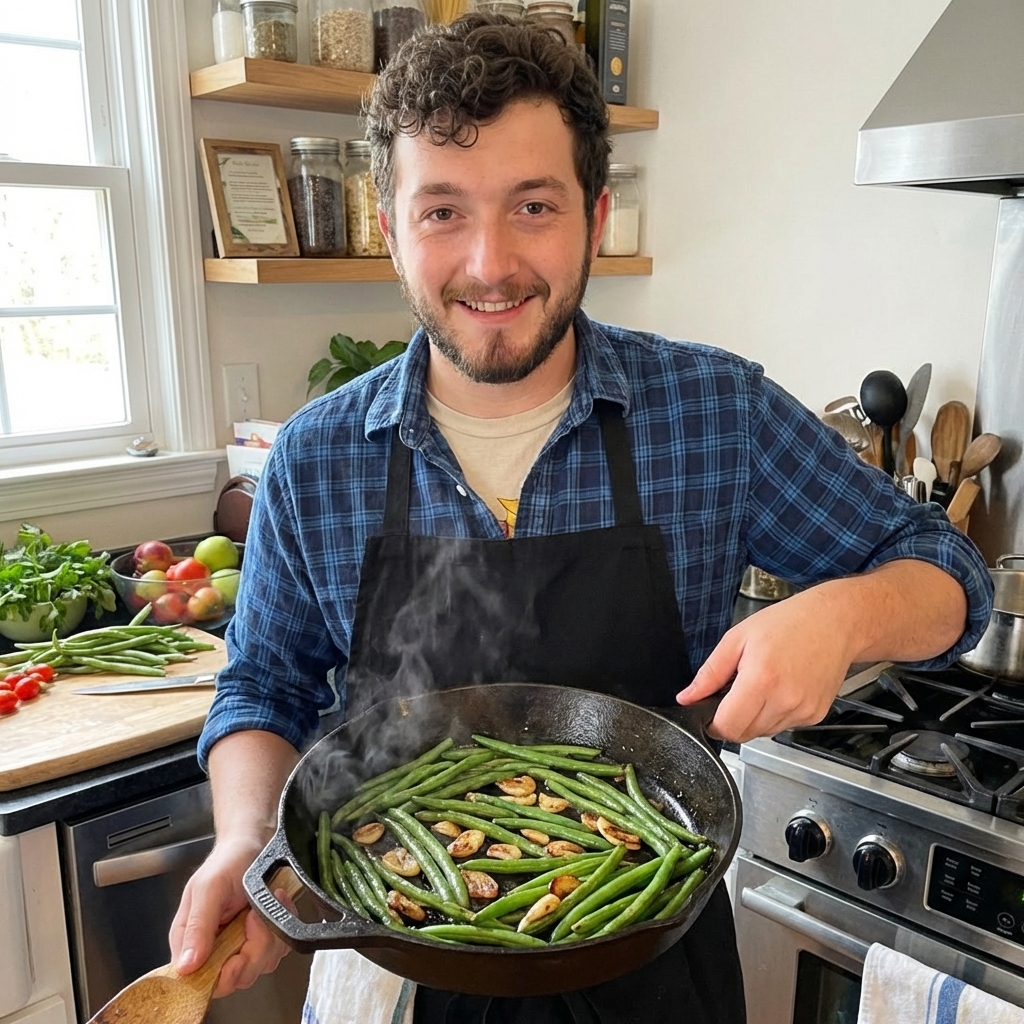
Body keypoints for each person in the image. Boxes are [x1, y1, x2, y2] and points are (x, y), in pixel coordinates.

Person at [169, 14, 993, 1024]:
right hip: (391, 957)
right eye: (442, 211)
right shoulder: (317, 457)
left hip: (653, 958)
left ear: (594, 218)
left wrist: (844, 615)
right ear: (390, 230)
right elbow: (263, 687)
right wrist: (242, 839)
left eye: (533, 206)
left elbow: (949, 572)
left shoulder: (714, 415)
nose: (489, 263)